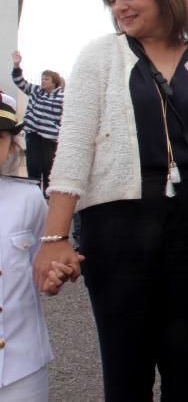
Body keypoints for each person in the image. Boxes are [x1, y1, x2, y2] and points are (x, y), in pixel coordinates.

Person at [31, 0, 188, 401]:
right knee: (126, 374)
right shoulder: (100, 56)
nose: (119, 6)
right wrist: (55, 239)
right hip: (118, 230)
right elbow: (73, 148)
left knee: (187, 374)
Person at [0, 96, 58, 402]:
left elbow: (43, 266)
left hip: (21, 365)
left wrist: (52, 278)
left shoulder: (29, 200)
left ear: (11, 146)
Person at [10, 52, 64, 193]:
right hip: (33, 136)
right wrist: (17, 65)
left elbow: (68, 118)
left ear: (54, 82)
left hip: (50, 140)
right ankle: (33, 196)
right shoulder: (35, 91)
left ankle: (48, 198)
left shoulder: (63, 97)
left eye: (46, 79)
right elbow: (19, 81)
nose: (43, 81)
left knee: (48, 171)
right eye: (42, 78)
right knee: (33, 168)